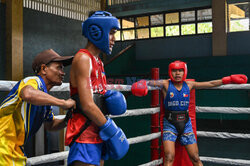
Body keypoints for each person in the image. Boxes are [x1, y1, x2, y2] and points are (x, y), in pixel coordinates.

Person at [131, 60, 248, 166]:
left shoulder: (189, 85)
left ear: (184, 71)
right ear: (170, 72)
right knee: (168, 157)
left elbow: (210, 84)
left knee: (195, 158)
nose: (177, 73)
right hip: (169, 124)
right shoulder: (165, 84)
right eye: (175, 71)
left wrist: (227, 80)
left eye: (180, 70)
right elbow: (149, 82)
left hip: (186, 124)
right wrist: (141, 84)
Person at [65, 11, 129, 166]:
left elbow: (99, 94)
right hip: (85, 133)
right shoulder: (83, 59)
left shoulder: (98, 61)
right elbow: (87, 105)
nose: (114, 39)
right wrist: (111, 130)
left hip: (98, 129)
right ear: (97, 31)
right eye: (111, 33)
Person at [0, 49, 76, 165]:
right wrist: (63, 103)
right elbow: (28, 94)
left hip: (13, 149)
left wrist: (68, 118)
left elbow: (50, 125)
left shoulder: (44, 99)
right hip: (3, 145)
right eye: (58, 68)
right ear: (44, 69)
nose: (63, 72)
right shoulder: (33, 81)